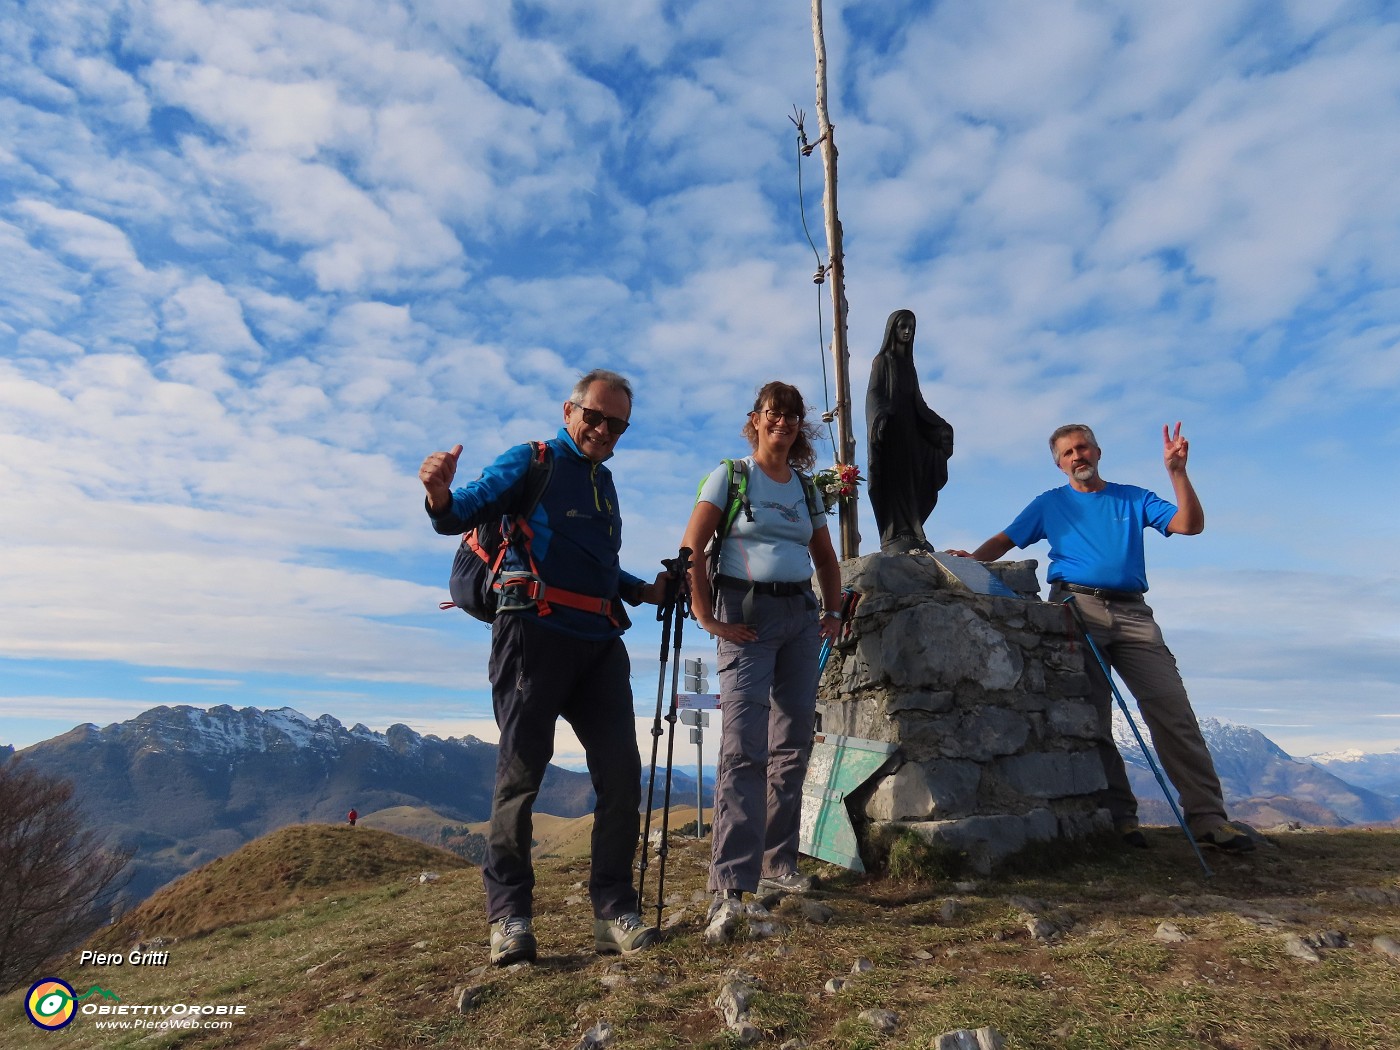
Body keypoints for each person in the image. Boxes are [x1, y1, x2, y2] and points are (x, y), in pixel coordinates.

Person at [420, 368, 668, 966]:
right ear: (569, 410)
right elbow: (461, 512)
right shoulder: (530, 460)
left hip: (599, 639)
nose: (604, 430)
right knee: (522, 776)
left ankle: (613, 913)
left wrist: (645, 592)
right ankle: (509, 918)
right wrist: (439, 495)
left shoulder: (604, 484)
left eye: (618, 425)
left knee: (621, 775)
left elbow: (596, 566)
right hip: (531, 632)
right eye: (596, 417)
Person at [948, 423, 1254, 853]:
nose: (1078, 456)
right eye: (1068, 452)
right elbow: (1006, 539)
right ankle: (1121, 820)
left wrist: (1177, 473)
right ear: (1059, 463)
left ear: (1097, 451)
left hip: (1134, 613)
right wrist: (971, 560)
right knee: (1094, 717)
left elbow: (1189, 525)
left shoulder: (1133, 497)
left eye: (1083, 447)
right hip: (1076, 609)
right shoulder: (1049, 504)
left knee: (1173, 711)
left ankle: (1208, 819)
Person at [680, 381, 844, 942]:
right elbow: (692, 549)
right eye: (773, 414)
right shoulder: (731, 474)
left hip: (799, 616)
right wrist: (706, 617)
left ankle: (780, 863)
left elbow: (824, 555)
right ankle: (731, 883)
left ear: (800, 426)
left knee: (793, 742)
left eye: (792, 416)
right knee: (743, 745)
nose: (783, 423)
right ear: (755, 420)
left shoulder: (805, 486)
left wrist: (835, 612)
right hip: (743, 619)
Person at [866, 309, 955, 553]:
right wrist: (880, 415)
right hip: (891, 434)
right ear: (892, 330)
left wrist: (939, 426)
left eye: (911, 328)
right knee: (894, 483)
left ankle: (913, 530)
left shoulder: (909, 366)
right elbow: (874, 394)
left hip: (910, 433)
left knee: (912, 482)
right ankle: (896, 533)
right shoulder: (882, 361)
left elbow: (918, 402)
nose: (907, 332)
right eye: (902, 326)